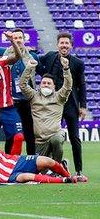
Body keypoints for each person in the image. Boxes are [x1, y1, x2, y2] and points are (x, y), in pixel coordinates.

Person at [0, 89, 84, 184]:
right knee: (29, 177)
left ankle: (69, 175)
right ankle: (65, 181)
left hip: (16, 161)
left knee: (47, 161)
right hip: (8, 176)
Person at [37, 32, 86, 176]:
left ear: (70, 45)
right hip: (52, 105)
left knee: (75, 137)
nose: (64, 45)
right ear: (57, 44)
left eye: (67, 43)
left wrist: (82, 106)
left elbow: (81, 86)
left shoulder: (78, 63)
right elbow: (39, 67)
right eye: (62, 43)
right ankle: (53, 166)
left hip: (70, 104)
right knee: (50, 136)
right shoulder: (50, 56)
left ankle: (78, 170)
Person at [20, 58, 72, 164]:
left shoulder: (59, 97)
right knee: (41, 171)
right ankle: (62, 164)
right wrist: (29, 67)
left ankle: (58, 167)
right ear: (40, 85)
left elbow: (67, 86)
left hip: (55, 135)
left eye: (49, 83)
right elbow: (23, 85)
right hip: (40, 140)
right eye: (44, 83)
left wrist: (66, 68)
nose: (46, 85)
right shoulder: (34, 96)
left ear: (54, 86)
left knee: (56, 140)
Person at [5, 28, 40, 155]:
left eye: (20, 38)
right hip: (11, 101)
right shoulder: (5, 55)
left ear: (24, 40)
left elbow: (42, 72)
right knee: (12, 134)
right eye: (15, 38)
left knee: (30, 133)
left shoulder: (33, 56)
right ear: (11, 40)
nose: (18, 40)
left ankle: (31, 160)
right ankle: (8, 161)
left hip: (27, 101)